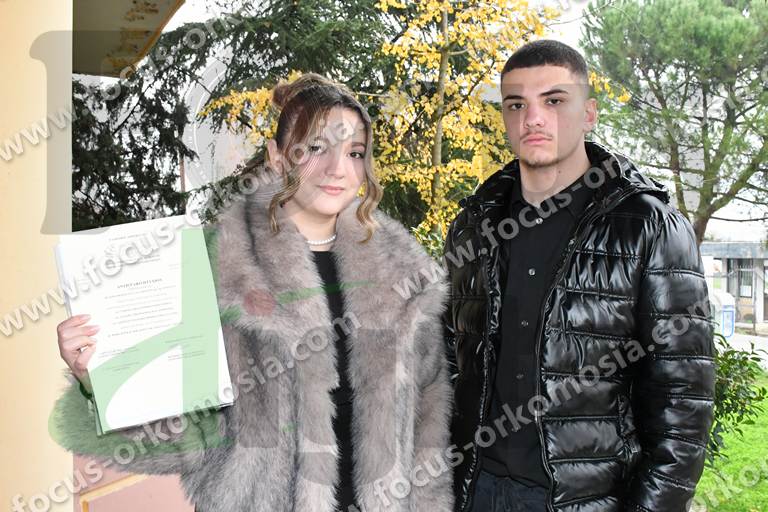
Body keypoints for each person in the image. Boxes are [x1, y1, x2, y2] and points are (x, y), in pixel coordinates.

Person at [53, 73, 454, 512]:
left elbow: (428, 429)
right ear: (278, 157)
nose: (338, 168)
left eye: (354, 153)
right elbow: (182, 441)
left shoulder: (404, 278)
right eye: (315, 148)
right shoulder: (217, 272)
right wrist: (98, 381)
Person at [443, 40, 715, 512]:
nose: (533, 118)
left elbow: (682, 404)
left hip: (584, 500)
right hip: (473, 491)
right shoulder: (473, 225)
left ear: (588, 114)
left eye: (553, 100)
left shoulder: (649, 225)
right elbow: (448, 361)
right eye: (516, 104)